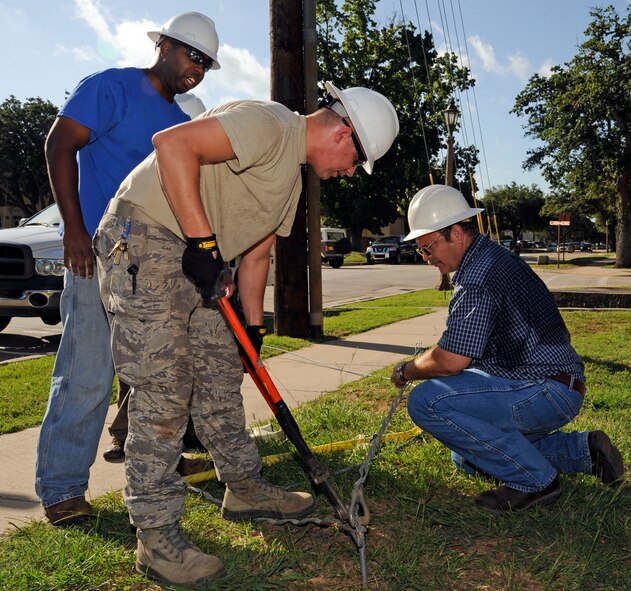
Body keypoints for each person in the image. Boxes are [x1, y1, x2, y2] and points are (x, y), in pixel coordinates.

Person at [93, 81, 399, 588]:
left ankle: (244, 487)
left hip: (202, 264)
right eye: (354, 162)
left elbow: (256, 258)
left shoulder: (292, 185)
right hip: (147, 235)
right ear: (345, 132)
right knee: (166, 389)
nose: (348, 174)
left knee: (219, 378)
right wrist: (204, 241)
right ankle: (155, 536)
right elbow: (171, 145)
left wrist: (252, 335)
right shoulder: (270, 123)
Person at [35, 11, 222, 527]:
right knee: (87, 375)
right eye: (192, 56)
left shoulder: (182, 125)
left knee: (156, 378)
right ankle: (63, 489)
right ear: (164, 46)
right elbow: (58, 145)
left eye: (206, 64)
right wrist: (75, 231)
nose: (197, 70)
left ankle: (155, 472)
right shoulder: (111, 88)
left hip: (154, 272)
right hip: (98, 258)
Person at [391, 184, 625, 513]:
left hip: (542, 390)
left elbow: (450, 360)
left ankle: (536, 482)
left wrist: (406, 370)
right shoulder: (494, 257)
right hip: (559, 385)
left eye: (428, 248)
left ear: (456, 233)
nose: (426, 258)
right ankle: (583, 451)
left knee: (426, 401)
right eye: (421, 251)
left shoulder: (478, 276)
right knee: (466, 457)